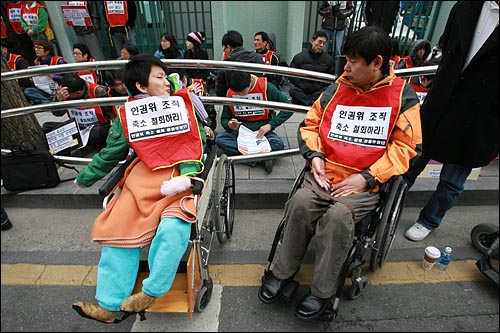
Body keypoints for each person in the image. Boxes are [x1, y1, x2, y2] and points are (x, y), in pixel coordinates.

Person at [257, 26, 421, 321]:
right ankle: (282, 272)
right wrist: (316, 157)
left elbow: (406, 148)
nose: (346, 67)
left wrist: (368, 177)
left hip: (364, 183)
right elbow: (309, 124)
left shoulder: (402, 97)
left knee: (337, 218)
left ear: (377, 63)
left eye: (354, 61)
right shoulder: (339, 87)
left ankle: (322, 291)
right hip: (323, 172)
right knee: (299, 204)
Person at [71, 53, 208, 324]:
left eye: (165, 76)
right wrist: (84, 177)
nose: (166, 82)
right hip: (141, 176)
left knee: (173, 230)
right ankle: (110, 305)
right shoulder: (127, 115)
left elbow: (195, 143)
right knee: (117, 231)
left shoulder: (181, 103)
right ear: (141, 87)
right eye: (159, 77)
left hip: (178, 174)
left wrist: (188, 176)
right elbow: (111, 153)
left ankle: (152, 291)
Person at [404, 1, 499, 242]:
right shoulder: (465, 7)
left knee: (452, 180)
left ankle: (429, 220)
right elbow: (446, 47)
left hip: (479, 116)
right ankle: (389, 204)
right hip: (442, 102)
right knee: (411, 162)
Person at [215, 71, 293, 173]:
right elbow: (225, 118)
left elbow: (288, 108)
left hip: (262, 130)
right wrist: (229, 124)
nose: (240, 95)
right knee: (220, 139)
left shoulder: (266, 87)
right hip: (241, 130)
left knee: (278, 144)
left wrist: (270, 125)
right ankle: (261, 159)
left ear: (250, 82)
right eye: (237, 93)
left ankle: (243, 156)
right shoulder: (231, 92)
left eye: (242, 91)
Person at [42, 73, 115, 157]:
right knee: (47, 126)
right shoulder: (64, 93)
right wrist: (58, 100)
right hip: (76, 128)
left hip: (96, 128)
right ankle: (79, 145)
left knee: (100, 132)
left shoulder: (97, 91)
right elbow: (57, 114)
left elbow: (111, 114)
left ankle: (73, 146)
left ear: (78, 93)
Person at [288, 31, 335, 106]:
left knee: (328, 92)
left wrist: (320, 87)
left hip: (319, 90)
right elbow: (291, 75)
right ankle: (312, 103)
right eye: (320, 42)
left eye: (324, 43)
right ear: (312, 41)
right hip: (303, 89)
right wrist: (302, 85)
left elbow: (331, 78)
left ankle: (306, 101)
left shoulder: (328, 60)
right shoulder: (299, 57)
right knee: (293, 90)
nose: (322, 45)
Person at [215, 30, 263, 97]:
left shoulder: (226, 65)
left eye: (224, 48)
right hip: (260, 101)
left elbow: (220, 92)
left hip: (236, 103)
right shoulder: (257, 57)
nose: (225, 51)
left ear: (228, 47)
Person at [23, 39, 68, 105]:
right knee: (28, 91)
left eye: (39, 48)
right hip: (44, 89)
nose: (36, 50)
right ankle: (48, 103)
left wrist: (53, 76)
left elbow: (68, 78)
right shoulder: (36, 62)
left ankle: (49, 102)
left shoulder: (59, 61)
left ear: (47, 51)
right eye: (35, 47)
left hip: (58, 88)